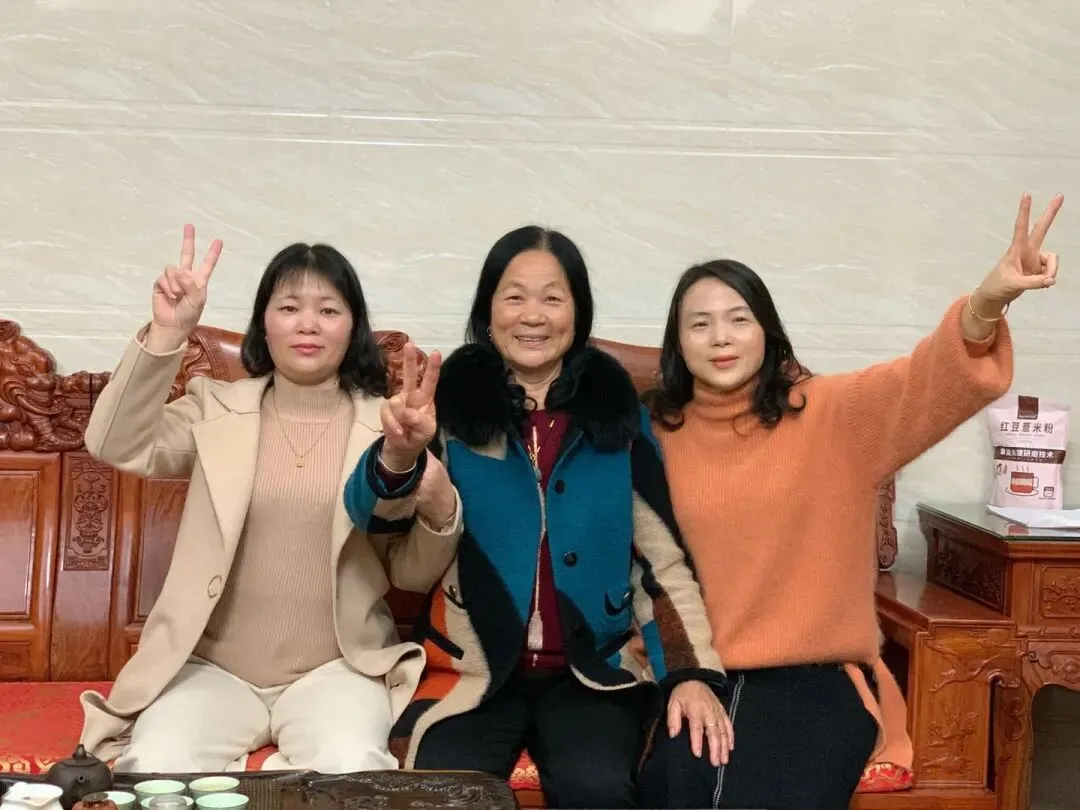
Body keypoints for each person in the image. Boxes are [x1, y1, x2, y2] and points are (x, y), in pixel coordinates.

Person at [637, 192, 1064, 809]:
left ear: (768, 333)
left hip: (815, 679)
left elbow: (931, 378)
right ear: (678, 343)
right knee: (676, 784)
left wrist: (988, 300)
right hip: (697, 674)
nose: (721, 337)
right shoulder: (651, 435)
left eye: (739, 319)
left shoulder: (831, 414)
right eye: (699, 324)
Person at [77, 225, 462, 773]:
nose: (308, 323)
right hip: (211, 672)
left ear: (353, 327)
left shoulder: (387, 427)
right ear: (264, 322)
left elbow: (411, 574)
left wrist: (440, 505)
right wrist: (168, 333)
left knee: (353, 767)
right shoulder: (214, 407)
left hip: (336, 672)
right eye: (289, 307)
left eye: (328, 310)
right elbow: (116, 443)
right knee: (154, 766)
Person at [387, 225, 732, 809]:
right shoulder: (442, 409)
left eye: (552, 297)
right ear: (487, 310)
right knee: (441, 796)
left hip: (590, 674)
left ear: (578, 312)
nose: (533, 315)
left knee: (598, 788)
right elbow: (377, 522)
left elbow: (661, 561)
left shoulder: (617, 418)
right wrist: (399, 455)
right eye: (514, 296)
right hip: (470, 672)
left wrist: (690, 672)